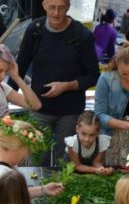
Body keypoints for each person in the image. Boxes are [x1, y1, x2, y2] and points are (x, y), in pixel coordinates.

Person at [8, 0, 100, 166]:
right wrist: (6, 97)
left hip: (70, 112)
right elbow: (20, 67)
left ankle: (61, 191)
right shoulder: (35, 30)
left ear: (68, 7)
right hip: (39, 108)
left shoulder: (82, 36)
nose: (56, 13)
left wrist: (66, 86)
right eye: (52, 7)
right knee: (36, 157)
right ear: (44, 5)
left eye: (61, 8)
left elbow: (93, 76)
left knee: (64, 161)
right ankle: (37, 190)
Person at [64, 110, 113, 175]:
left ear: (98, 133)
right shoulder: (72, 143)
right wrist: (95, 169)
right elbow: (77, 166)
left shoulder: (101, 141)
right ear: (77, 129)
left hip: (90, 172)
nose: (87, 139)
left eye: (92, 135)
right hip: (71, 172)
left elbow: (96, 162)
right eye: (84, 134)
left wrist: (103, 170)